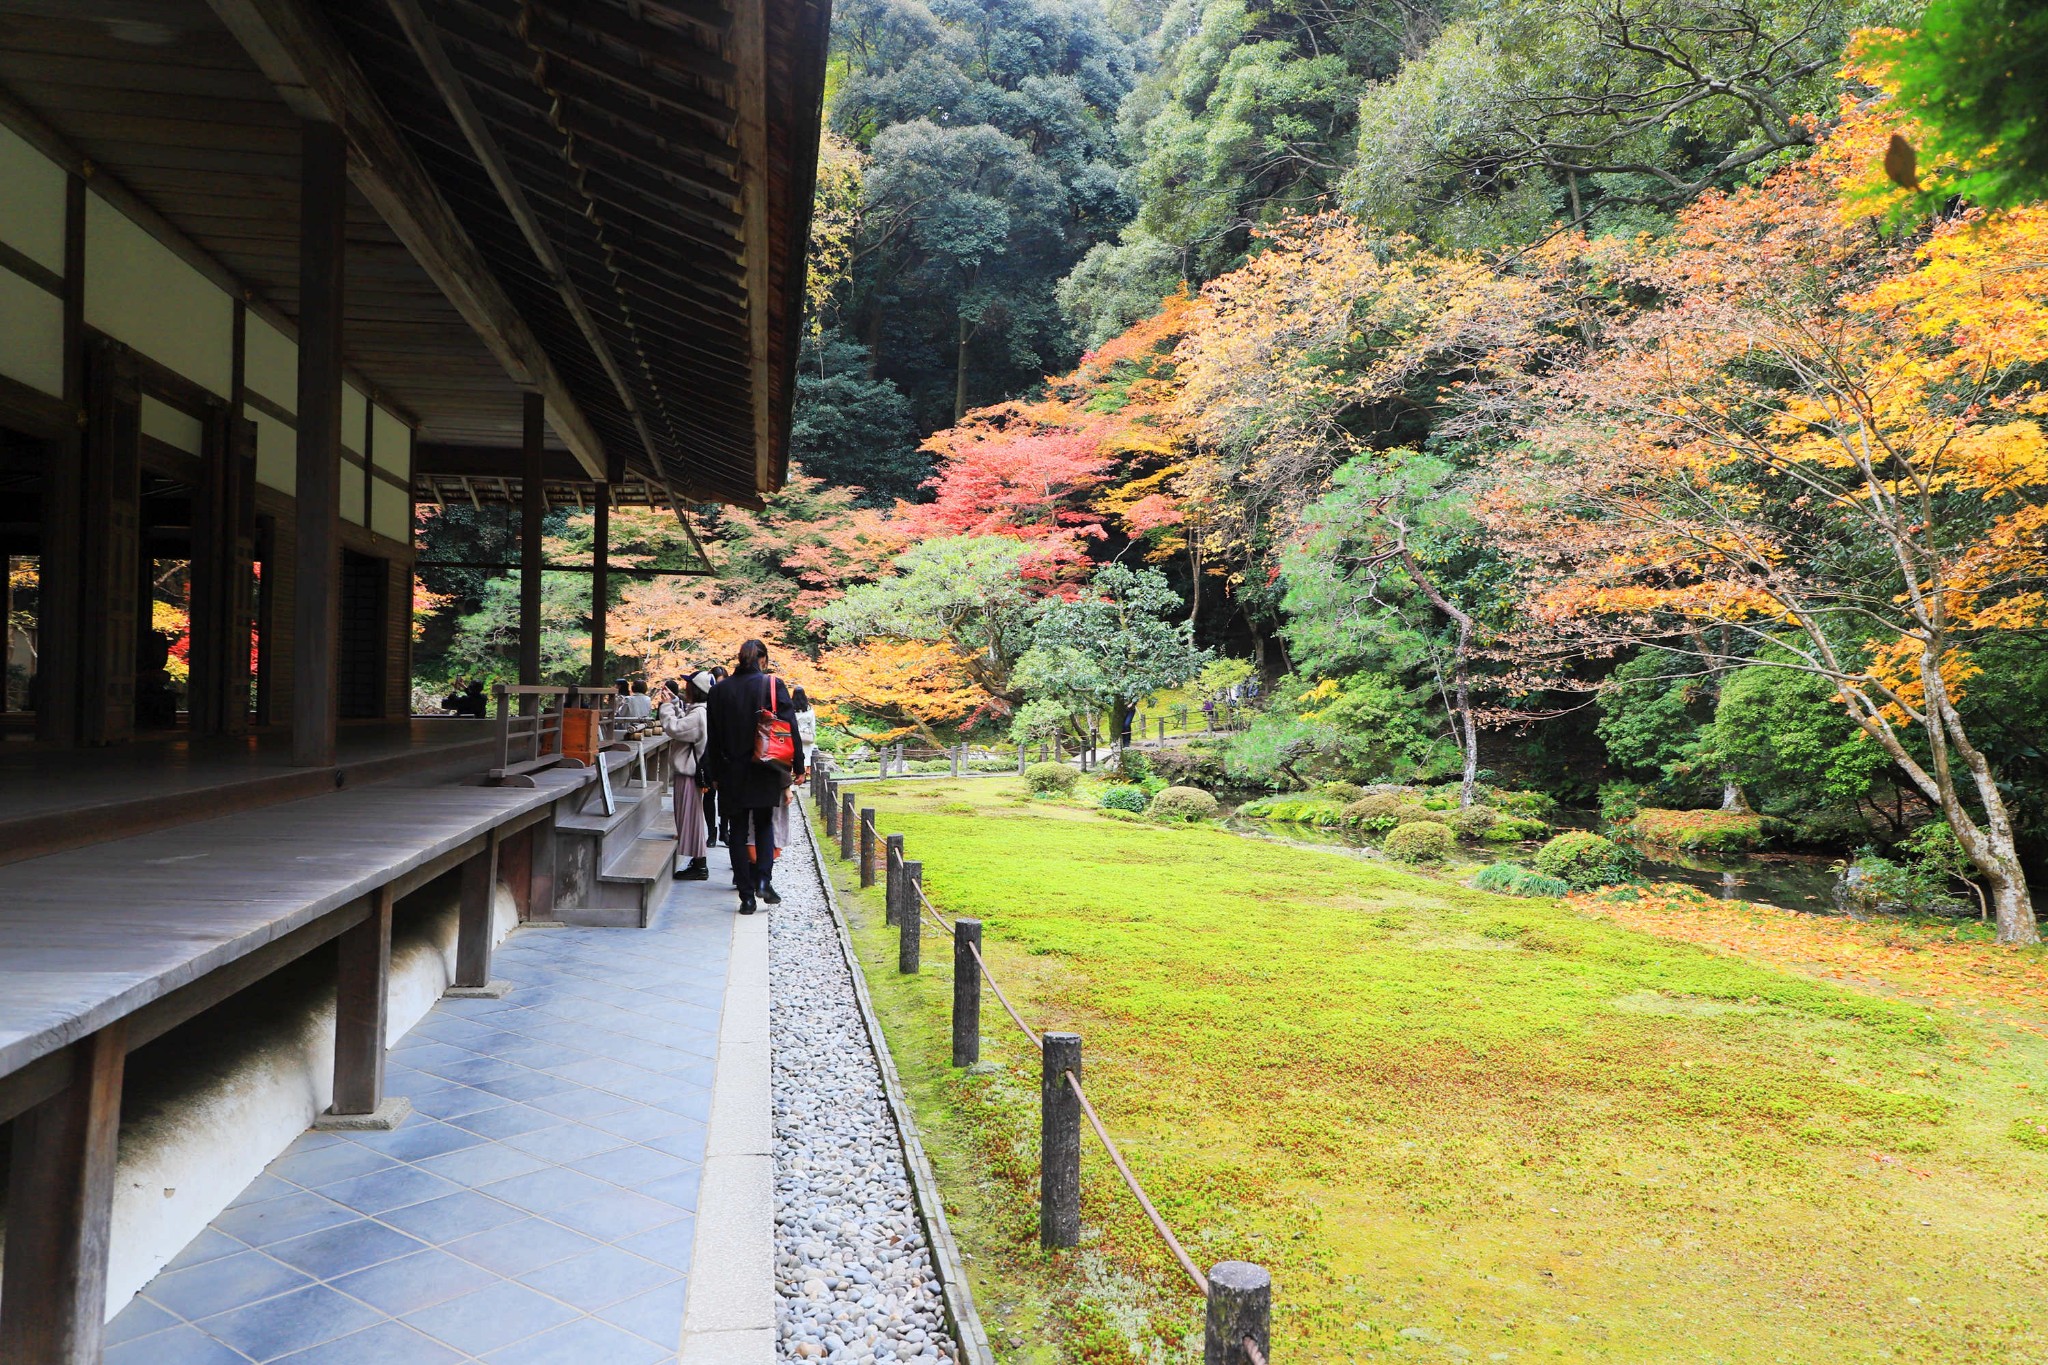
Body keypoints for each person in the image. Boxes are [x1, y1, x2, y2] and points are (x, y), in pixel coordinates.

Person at [702, 640, 804, 914]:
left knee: (735, 830)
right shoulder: (771, 684)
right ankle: (763, 880)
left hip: (731, 768)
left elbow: (713, 735)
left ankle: (746, 897)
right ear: (763, 659)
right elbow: (788, 728)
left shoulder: (720, 690)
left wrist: (711, 773)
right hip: (765, 767)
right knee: (763, 825)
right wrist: (799, 767)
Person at [662, 673, 712, 880]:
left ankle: (700, 865)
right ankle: (698, 862)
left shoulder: (698, 714)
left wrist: (665, 707)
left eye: (688, 686)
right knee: (690, 816)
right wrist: (674, 702)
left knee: (690, 818)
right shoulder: (700, 711)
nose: (685, 689)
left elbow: (674, 728)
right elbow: (683, 721)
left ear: (695, 690)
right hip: (692, 772)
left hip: (689, 773)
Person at [791, 685, 818, 773]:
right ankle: (806, 770)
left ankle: (795, 771)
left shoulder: (791, 708)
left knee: (795, 752)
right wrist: (813, 736)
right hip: (806, 733)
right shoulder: (809, 709)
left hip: (793, 733)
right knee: (807, 751)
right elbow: (812, 724)